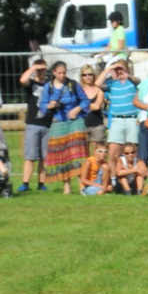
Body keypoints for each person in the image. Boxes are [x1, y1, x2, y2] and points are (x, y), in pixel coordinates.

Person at [40, 61, 90, 193]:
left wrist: (77, 109)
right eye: (59, 73)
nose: (62, 75)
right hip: (58, 122)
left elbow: (85, 100)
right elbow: (42, 105)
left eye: (64, 72)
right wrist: (50, 105)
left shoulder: (73, 84)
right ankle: (66, 186)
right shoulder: (48, 87)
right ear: (54, 73)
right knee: (61, 154)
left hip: (75, 121)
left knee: (77, 153)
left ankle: (82, 185)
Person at [95, 58, 142, 164]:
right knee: (113, 153)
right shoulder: (111, 83)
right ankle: (114, 178)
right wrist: (110, 68)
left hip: (132, 120)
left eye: (121, 68)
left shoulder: (132, 82)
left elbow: (138, 81)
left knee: (133, 152)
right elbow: (97, 83)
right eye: (117, 69)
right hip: (117, 121)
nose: (119, 71)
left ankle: (133, 176)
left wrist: (127, 74)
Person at [18, 54, 51, 192]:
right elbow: (23, 80)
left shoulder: (50, 85)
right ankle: (25, 183)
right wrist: (33, 68)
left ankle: (41, 183)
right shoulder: (31, 84)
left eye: (43, 69)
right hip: (33, 123)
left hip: (47, 123)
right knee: (30, 156)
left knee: (44, 157)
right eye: (39, 69)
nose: (41, 72)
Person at [78, 65, 105, 145]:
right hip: (81, 125)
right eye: (84, 75)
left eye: (90, 74)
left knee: (97, 152)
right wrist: (89, 105)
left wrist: (82, 104)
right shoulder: (78, 90)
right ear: (81, 77)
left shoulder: (99, 90)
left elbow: (97, 106)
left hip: (97, 125)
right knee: (82, 153)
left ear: (94, 75)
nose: (88, 77)